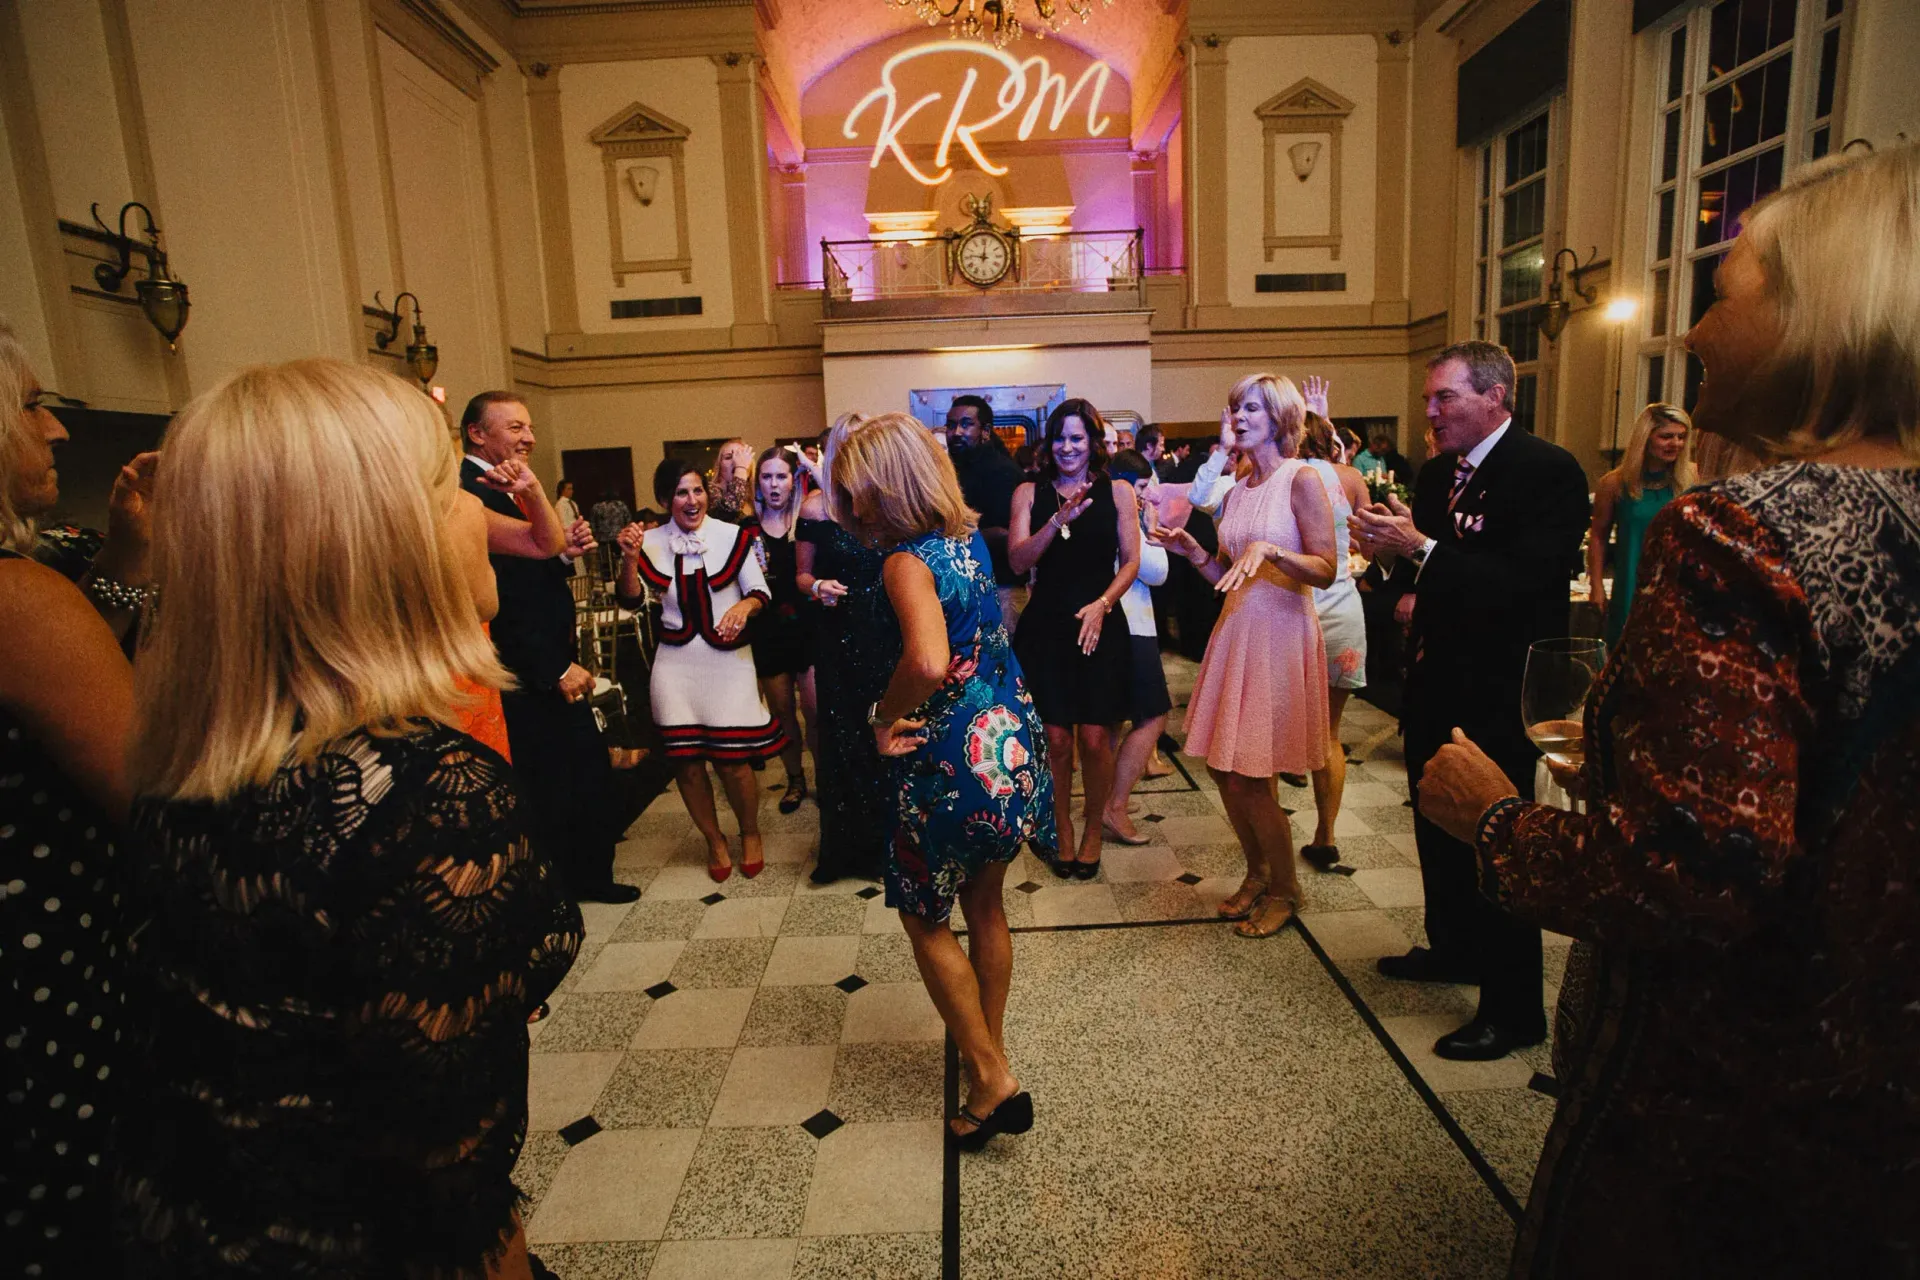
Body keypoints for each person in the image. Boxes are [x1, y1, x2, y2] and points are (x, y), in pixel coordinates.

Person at [1419, 143, 1920, 1278]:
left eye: (1726, 292)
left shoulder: (1748, 535)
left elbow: (1681, 881)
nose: (1694, 333)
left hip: (1741, 1104)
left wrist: (1496, 821)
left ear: (1816, 318)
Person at [117, 359, 580, 1279]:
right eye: (452, 488)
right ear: (385, 541)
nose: (473, 512)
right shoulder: (428, 799)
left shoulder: (191, 752)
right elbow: (448, 1187)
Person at [1351, 341, 1589, 1060]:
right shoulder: (1438, 475)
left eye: (1444, 397)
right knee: (1436, 817)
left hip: (1499, 686)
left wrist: (1419, 549)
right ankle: (1452, 946)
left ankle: (1513, 1010)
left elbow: (1524, 583)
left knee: (1495, 831)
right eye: (1429, 398)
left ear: (1494, 397)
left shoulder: (1547, 470)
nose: (1430, 411)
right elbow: (1419, 583)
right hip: (1436, 678)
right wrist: (1388, 558)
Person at [835, 413, 1051, 1150]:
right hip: (1005, 742)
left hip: (945, 756)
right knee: (985, 905)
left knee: (923, 916)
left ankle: (991, 1079)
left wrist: (880, 717)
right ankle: (989, 1055)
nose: (853, 506)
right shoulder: (965, 539)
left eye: (859, 491)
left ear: (889, 487)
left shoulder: (906, 561)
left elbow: (927, 663)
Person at [0, 323, 143, 1279]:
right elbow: (157, 798)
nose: (55, 428)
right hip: (46, 991)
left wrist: (127, 562)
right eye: (29, 405)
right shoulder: (17, 598)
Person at [1150, 374, 1336, 938]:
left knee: (1252, 775)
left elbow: (1326, 568)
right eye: (1235, 407)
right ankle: (1258, 872)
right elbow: (1226, 576)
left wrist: (1273, 550)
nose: (1238, 417)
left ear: (1280, 416)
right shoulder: (1237, 488)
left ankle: (1286, 888)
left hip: (1280, 633)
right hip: (1236, 629)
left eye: (1250, 407)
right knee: (1223, 769)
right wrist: (1193, 552)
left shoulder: (1301, 479)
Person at [461, 392, 636, 904]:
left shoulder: (505, 484)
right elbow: (504, 600)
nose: (529, 437)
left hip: (536, 658)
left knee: (570, 771)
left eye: (530, 427)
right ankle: (571, 881)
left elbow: (530, 563)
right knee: (563, 774)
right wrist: (555, 667)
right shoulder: (470, 493)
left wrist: (563, 556)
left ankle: (576, 876)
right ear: (477, 433)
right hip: (522, 665)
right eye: (515, 427)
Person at [618, 459, 781, 881]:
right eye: (681, 493)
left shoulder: (733, 535)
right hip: (675, 665)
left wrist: (744, 607)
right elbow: (632, 600)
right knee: (686, 763)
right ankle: (714, 840)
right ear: (664, 500)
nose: (692, 500)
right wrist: (630, 560)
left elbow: (760, 591)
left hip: (728, 662)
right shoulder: (649, 541)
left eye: (697, 490)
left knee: (733, 762)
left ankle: (750, 833)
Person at [1008, 398, 1141, 878]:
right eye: (1060, 437)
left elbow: (1131, 560)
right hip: (1047, 625)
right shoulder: (1029, 492)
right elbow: (1019, 561)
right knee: (1057, 739)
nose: (1067, 447)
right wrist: (1056, 521)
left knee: (1095, 738)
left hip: (1099, 621)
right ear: (1050, 443)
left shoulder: (1119, 492)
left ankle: (1092, 829)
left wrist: (1103, 605)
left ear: (1093, 443)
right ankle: (1061, 825)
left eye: (1077, 438)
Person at [795, 414, 895, 882]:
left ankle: (885, 848)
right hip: (837, 636)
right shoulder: (816, 507)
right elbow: (800, 575)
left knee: (883, 736)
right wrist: (817, 587)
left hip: (886, 635)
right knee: (841, 739)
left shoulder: (891, 506)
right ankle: (842, 851)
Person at [1296, 411, 1372, 869]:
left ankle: (1271, 844)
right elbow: (1371, 546)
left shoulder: (1280, 477)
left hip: (1291, 611)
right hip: (1342, 609)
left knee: (1278, 730)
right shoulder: (1350, 478)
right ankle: (1325, 836)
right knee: (1330, 734)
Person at [1100, 449, 1172, 845]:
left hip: (1116, 624)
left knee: (1112, 720)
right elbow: (1157, 572)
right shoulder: (1125, 515)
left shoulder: (1104, 508)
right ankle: (1115, 806)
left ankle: (1101, 802)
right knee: (1153, 717)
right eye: (1142, 486)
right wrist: (1151, 526)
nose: (1146, 494)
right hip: (1132, 627)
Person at [1589, 403, 1696, 649]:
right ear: (1645, 438)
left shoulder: (1692, 478)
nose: (1676, 444)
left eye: (1681, 437)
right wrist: (1596, 586)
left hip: (1680, 585)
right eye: (1666, 436)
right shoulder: (1615, 483)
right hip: (1631, 583)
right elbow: (1598, 536)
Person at [746, 446, 814, 813]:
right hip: (769, 630)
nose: (774, 484)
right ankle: (795, 780)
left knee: (815, 711)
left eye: (781, 476)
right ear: (758, 482)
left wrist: (812, 467)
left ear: (794, 479)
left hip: (808, 626)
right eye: (766, 476)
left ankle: (825, 777)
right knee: (783, 711)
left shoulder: (808, 516)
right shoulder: (748, 524)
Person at [947, 394, 1026, 623]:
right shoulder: (952, 471)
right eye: (951, 425)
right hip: (962, 586)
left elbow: (1007, 534)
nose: (956, 432)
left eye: (966, 424)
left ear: (986, 431)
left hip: (1001, 589)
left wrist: (952, 537)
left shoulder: (1003, 472)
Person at [707, 437, 756, 524]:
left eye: (741, 457)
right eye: (728, 457)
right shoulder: (709, 491)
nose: (736, 461)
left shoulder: (756, 495)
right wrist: (741, 468)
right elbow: (729, 509)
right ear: (719, 466)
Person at [1353, 422, 1413, 490]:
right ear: (1375, 446)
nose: (1384, 453)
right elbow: (1357, 482)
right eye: (1383, 450)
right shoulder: (1359, 459)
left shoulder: (1381, 458)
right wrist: (1375, 478)